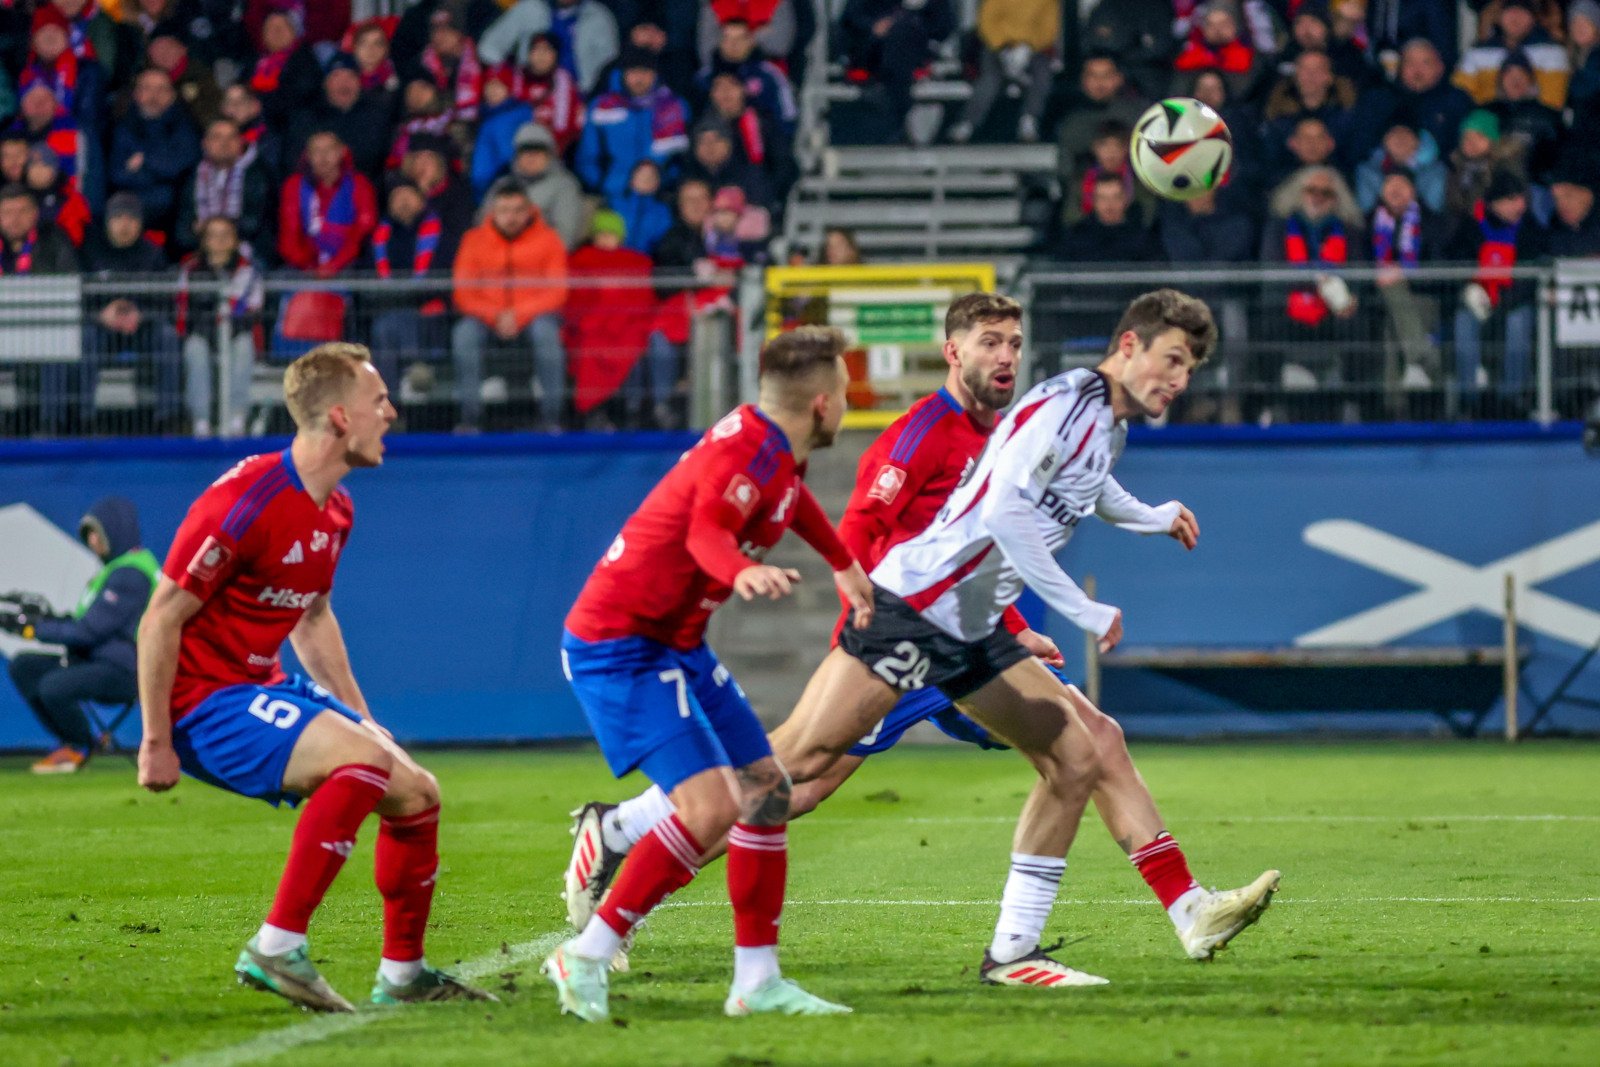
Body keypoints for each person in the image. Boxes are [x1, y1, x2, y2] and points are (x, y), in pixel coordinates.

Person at [564, 294, 1277, 978]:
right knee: (792, 773)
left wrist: (1151, 516)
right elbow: (943, 520)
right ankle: (621, 838)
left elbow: (1070, 493)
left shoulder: (1085, 422)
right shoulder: (950, 427)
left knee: (1088, 744)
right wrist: (1066, 609)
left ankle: (1168, 913)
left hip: (969, 628)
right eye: (990, 343)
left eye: (1014, 344)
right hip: (909, 616)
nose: (1006, 357)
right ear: (953, 351)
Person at [134, 342, 496, 1011]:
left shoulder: (336, 509)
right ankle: (277, 946)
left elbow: (312, 615)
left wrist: (362, 716)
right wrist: (157, 739)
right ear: (338, 417)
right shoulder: (243, 502)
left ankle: (403, 974)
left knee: (417, 791)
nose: (391, 412)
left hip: (259, 686)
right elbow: (160, 620)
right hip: (202, 702)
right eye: (378, 400)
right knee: (360, 766)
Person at [543, 325, 874, 1021]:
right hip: (622, 646)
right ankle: (588, 952)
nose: (848, 401)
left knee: (766, 788)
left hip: (675, 641)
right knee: (710, 807)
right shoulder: (748, 452)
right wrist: (742, 569)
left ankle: (757, 980)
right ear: (821, 402)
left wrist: (842, 562)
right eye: (844, 390)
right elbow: (704, 533)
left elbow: (792, 503)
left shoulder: (779, 450)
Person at [3, 496, 157, 774]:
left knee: (54, 686)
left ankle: (79, 746)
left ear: (114, 531)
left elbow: (88, 632)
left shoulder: (131, 574)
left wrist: (34, 628)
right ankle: (71, 742)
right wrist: (46, 621)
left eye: (96, 534)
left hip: (128, 671)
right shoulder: (114, 571)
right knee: (25, 666)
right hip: (98, 661)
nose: (92, 542)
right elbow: (86, 623)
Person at [450, 178, 568, 432]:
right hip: (486, 317)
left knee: (546, 333)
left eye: (517, 211)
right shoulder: (473, 239)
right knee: (464, 334)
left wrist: (519, 315)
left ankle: (551, 419)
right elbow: (463, 292)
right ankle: (470, 419)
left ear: (529, 211)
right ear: (493, 211)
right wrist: (495, 316)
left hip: (534, 316)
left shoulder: (549, 239)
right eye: (504, 211)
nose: (511, 217)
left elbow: (557, 291)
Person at [77, 193, 184, 434]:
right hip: (102, 327)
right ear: (107, 221)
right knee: (85, 338)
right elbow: (79, 297)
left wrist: (141, 314)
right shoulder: (90, 250)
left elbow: (166, 300)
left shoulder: (153, 254)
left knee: (167, 337)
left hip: (143, 327)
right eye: (118, 218)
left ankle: (167, 418)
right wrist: (100, 315)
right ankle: (85, 419)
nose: (125, 225)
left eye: (131, 219)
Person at [1447, 168, 1547, 415]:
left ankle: (1510, 397)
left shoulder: (1530, 228)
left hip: (1514, 301)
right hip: (1477, 301)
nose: (1520, 205)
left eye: (1521, 198)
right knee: (1463, 322)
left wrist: (1503, 301)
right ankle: (1468, 399)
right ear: (1494, 203)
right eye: (1512, 200)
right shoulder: (1471, 227)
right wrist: (1470, 291)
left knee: (1518, 322)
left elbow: (1532, 275)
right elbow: (1455, 264)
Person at [363, 177, 452, 399]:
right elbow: (368, 281)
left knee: (394, 324)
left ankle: (400, 395)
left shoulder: (442, 233)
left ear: (422, 201)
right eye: (397, 197)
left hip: (432, 311)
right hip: (389, 309)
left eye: (408, 196)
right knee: (388, 326)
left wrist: (407, 295)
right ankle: (406, 383)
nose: (403, 202)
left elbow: (443, 277)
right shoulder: (377, 238)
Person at [177, 215, 263, 439]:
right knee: (195, 347)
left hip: (236, 332)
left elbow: (251, 310)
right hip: (204, 333)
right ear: (204, 241)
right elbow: (185, 310)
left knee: (244, 345)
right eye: (213, 236)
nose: (220, 241)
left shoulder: (248, 271)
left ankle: (237, 417)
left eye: (226, 235)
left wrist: (226, 324)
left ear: (235, 240)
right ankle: (201, 420)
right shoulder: (190, 269)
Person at [574, 45, 689, 202]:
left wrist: (661, 180)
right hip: (613, 200)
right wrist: (618, 184)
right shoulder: (602, 107)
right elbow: (587, 158)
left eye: (646, 72)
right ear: (623, 73)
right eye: (634, 72)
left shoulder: (674, 107)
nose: (639, 79)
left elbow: (681, 158)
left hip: (660, 201)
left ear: (655, 74)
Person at [947, 0, 1058, 145]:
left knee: (1042, 74)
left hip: (1032, 49)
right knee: (990, 79)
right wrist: (1004, 46)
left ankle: (1029, 120)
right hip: (997, 47)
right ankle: (967, 123)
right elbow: (986, 22)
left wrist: (1027, 47)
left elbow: (1049, 28)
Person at [108, 66, 200, 236]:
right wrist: (159, 168)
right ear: (136, 94)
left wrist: (144, 161)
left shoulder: (186, 126)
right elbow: (117, 175)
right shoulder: (123, 127)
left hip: (174, 212)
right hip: (133, 209)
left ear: (172, 95)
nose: (154, 95)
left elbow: (179, 168)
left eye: (161, 89)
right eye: (147, 88)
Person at [175, 117, 273, 257]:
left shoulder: (259, 174)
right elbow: (182, 230)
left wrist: (215, 229)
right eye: (217, 137)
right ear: (205, 143)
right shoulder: (189, 177)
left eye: (231, 137)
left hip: (248, 253)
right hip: (199, 252)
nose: (224, 143)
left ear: (240, 143)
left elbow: (259, 223)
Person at [477, 0, 620, 96]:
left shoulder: (598, 16)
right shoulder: (530, 8)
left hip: (581, 98)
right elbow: (488, 48)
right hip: (528, 98)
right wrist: (510, 78)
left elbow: (610, 63)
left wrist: (593, 95)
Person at [1455, 0, 1569, 109]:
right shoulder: (1478, 53)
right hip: (1488, 123)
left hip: (1534, 121)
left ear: (1533, 19)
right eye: (1510, 13)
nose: (1516, 19)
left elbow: (1554, 102)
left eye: (1522, 13)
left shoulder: (1552, 52)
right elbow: (1460, 95)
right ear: (1499, 18)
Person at [503, 121, 584, 251]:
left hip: (541, 261)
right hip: (499, 259)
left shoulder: (564, 186)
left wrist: (523, 253)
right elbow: (483, 227)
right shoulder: (504, 184)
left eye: (538, 151)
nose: (531, 157)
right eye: (525, 151)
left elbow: (565, 237)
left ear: (549, 155)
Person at [1060, 173, 1161, 262]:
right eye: (1102, 198)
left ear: (1126, 200)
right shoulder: (1076, 237)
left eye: (1115, 197)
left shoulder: (1144, 238)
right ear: (1094, 201)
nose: (1109, 205)